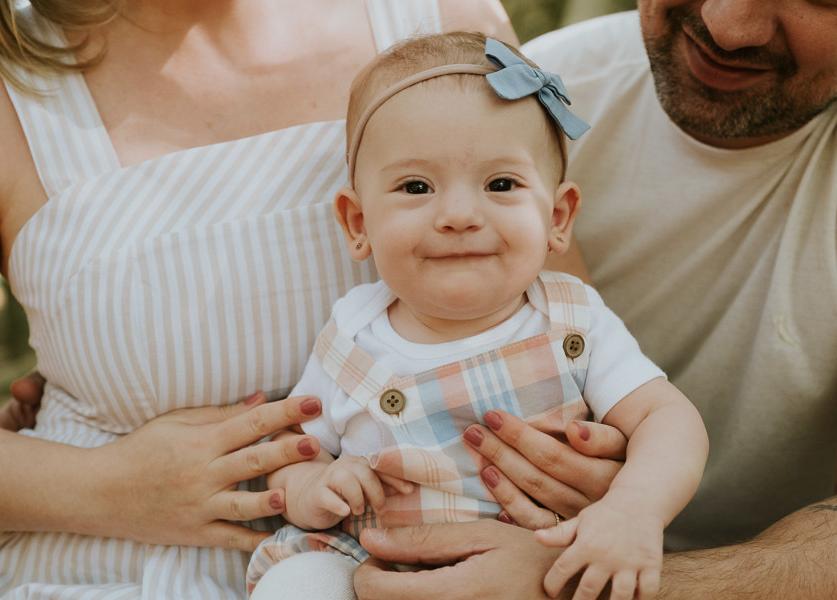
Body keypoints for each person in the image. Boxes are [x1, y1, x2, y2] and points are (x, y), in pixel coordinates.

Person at [0, 1, 526, 597]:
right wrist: (103, 486)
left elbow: (557, 321)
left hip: (433, 568)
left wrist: (592, 478)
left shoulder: (443, 18)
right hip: (110, 576)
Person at [352, 1, 837, 599]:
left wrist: (576, 580)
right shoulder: (504, 107)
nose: (729, 27)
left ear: (560, 214)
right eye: (419, 188)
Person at [246, 32, 708, 600]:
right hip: (368, 564)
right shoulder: (352, 337)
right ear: (358, 224)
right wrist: (314, 484)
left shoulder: (571, 323)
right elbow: (296, 451)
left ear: (558, 216)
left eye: (501, 184)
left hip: (531, 567)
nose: (460, 214)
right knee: (297, 586)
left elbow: (669, 420)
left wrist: (633, 509)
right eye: (416, 186)